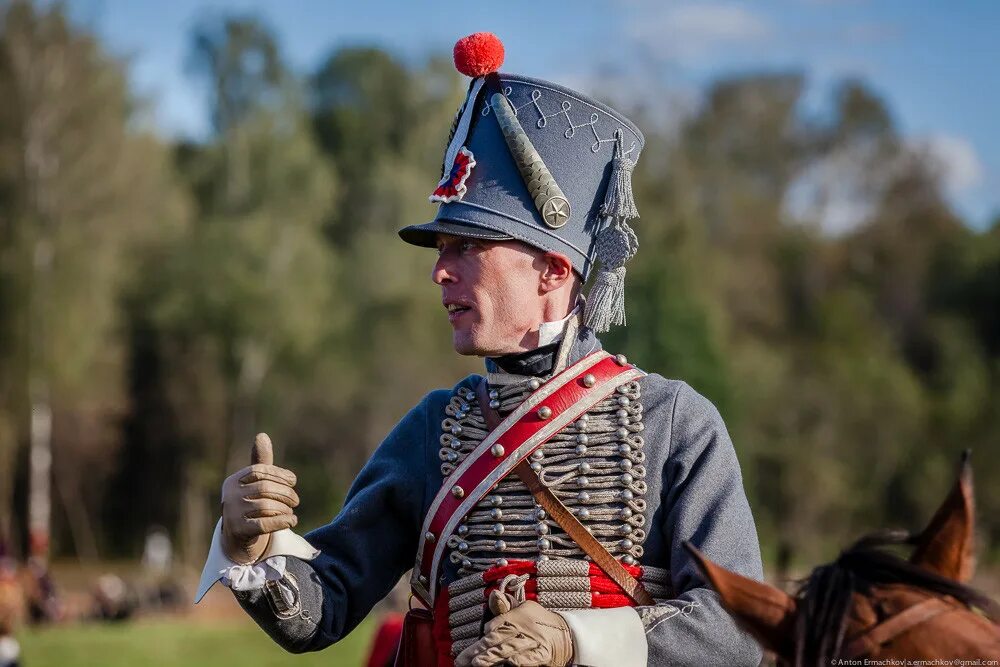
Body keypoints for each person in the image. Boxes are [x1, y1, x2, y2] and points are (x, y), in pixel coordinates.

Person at [196, 32, 763, 666]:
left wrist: (575, 640)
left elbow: (735, 630)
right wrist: (251, 544)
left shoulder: (673, 423)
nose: (440, 273)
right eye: (441, 251)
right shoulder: (433, 427)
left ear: (552, 269)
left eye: (467, 247)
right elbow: (321, 609)